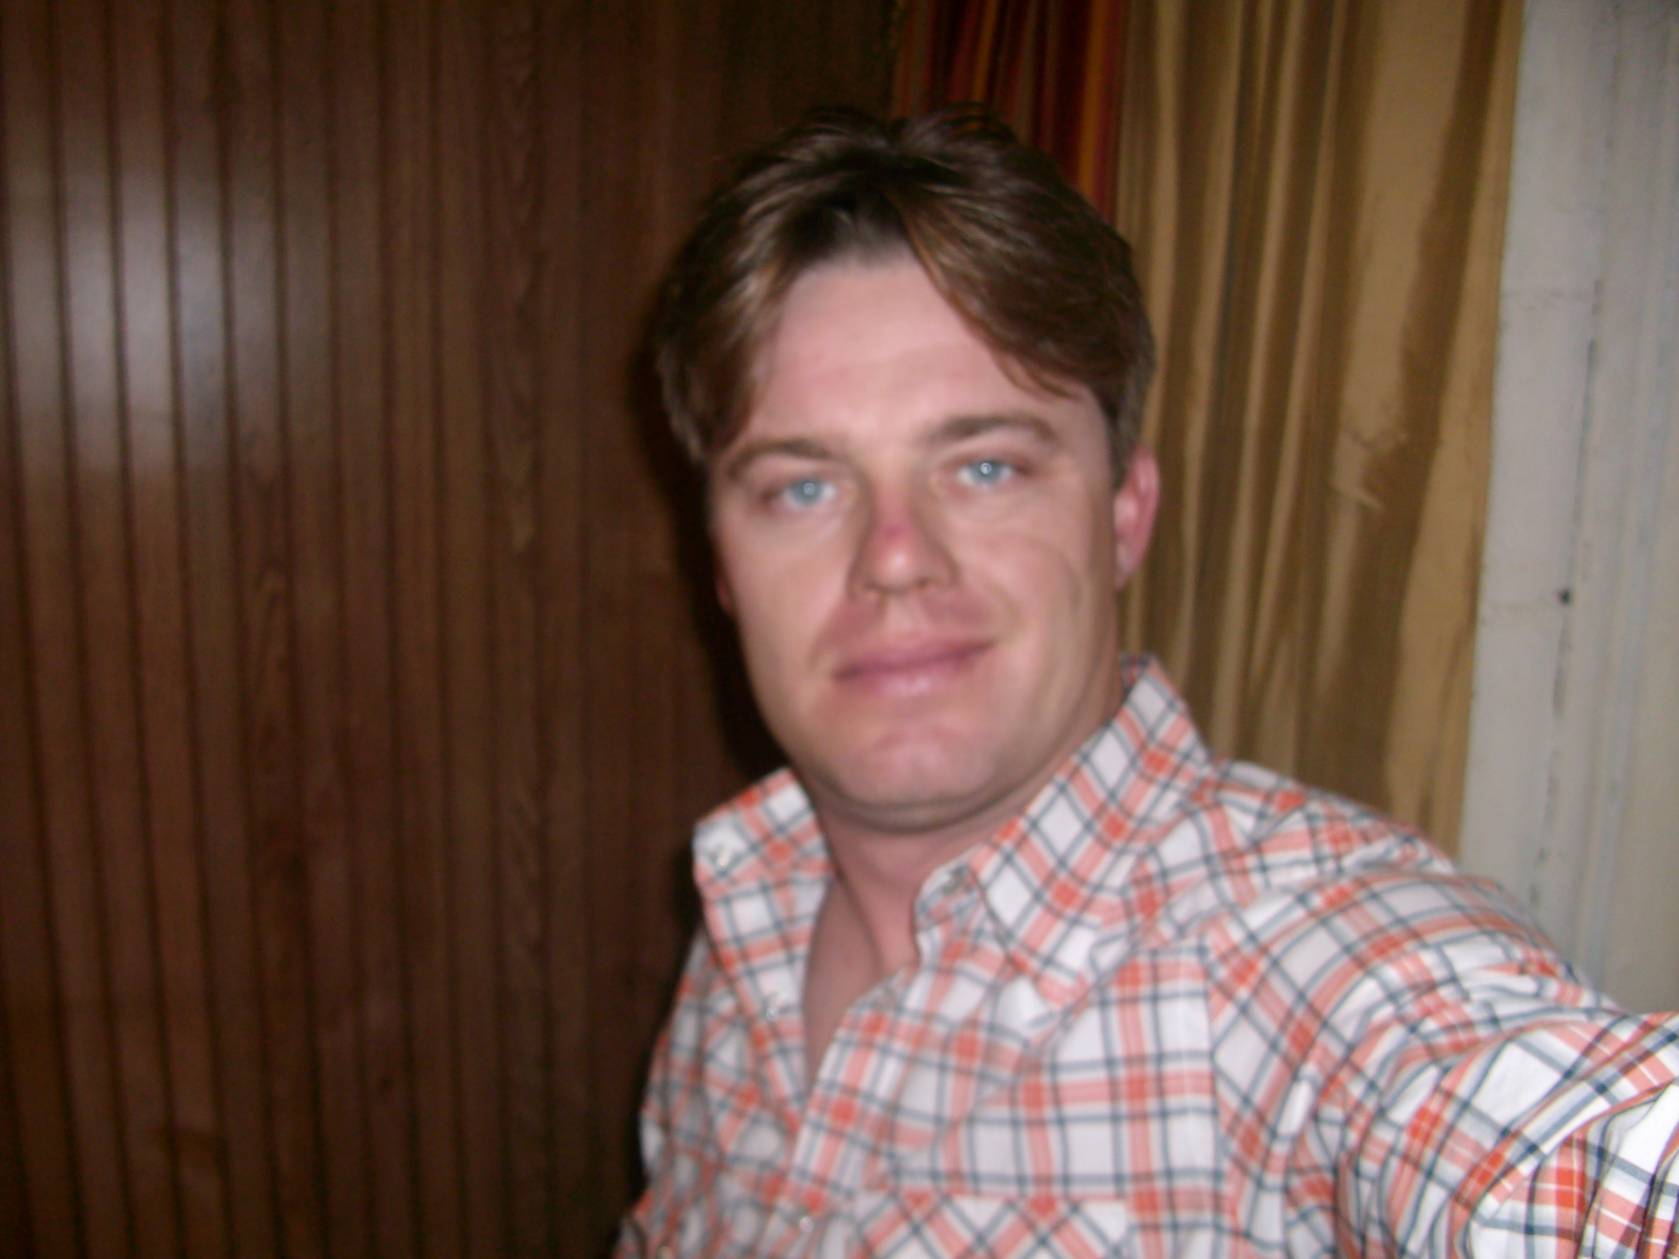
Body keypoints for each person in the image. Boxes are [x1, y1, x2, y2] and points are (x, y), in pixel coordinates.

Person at [619, 106, 1679, 1257]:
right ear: (721, 565)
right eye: (801, 488)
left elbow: (1568, 1155)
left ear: (1124, 516)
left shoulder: (1305, 960)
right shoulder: (747, 913)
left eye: (984, 466)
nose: (894, 556)